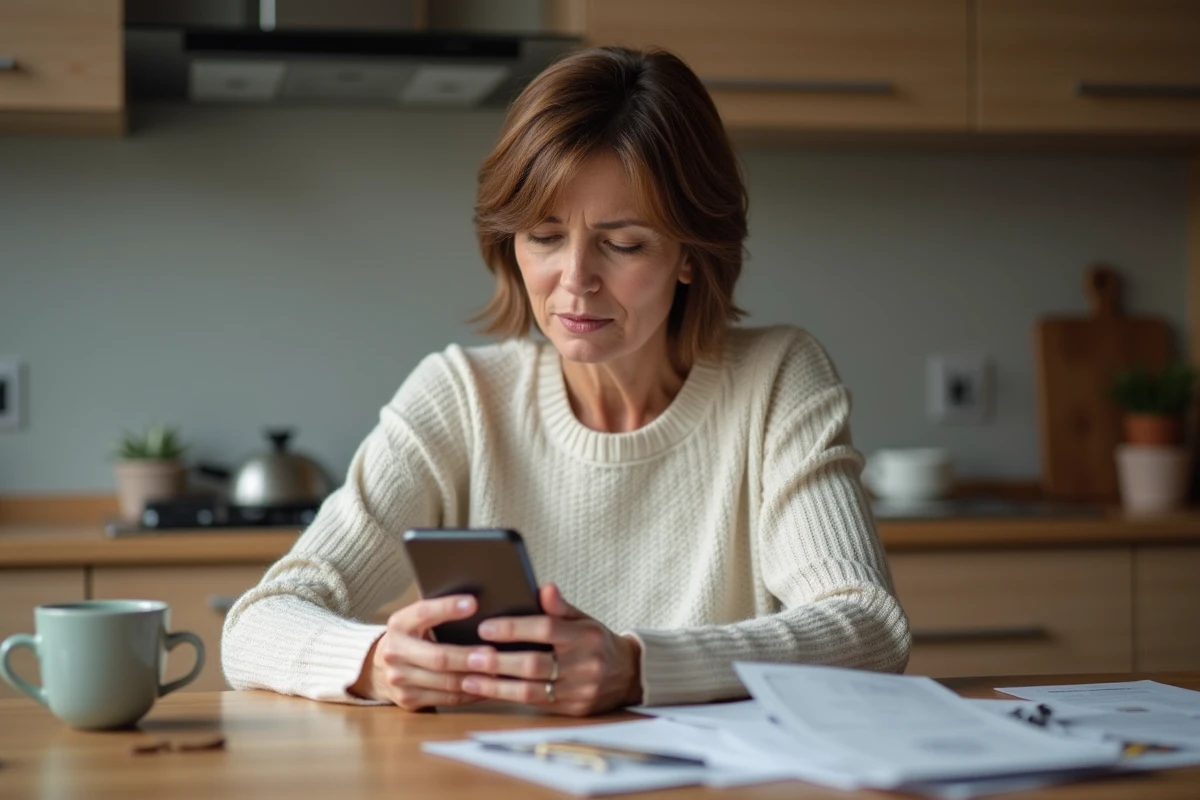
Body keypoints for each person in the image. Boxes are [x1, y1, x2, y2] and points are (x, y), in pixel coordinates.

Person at [222, 46, 910, 716]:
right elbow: (255, 625)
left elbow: (868, 624)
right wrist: (377, 661)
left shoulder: (777, 377)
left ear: (691, 256)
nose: (575, 280)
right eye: (544, 236)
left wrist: (637, 669)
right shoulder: (460, 396)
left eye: (623, 243)